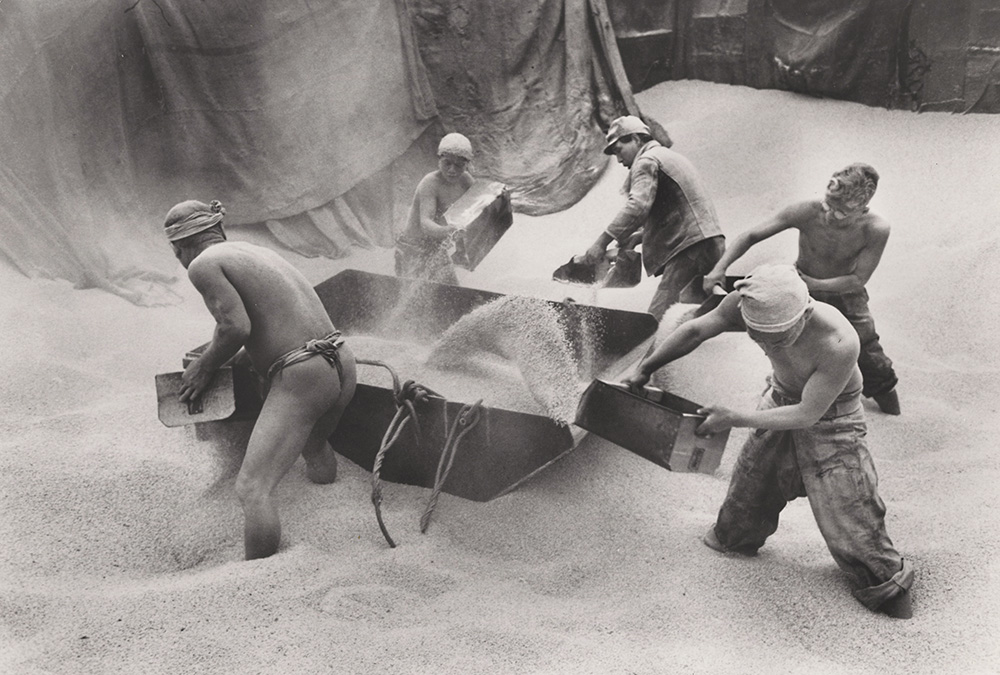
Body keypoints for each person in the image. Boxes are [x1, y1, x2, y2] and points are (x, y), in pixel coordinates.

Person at [624, 264, 914, 618]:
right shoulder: (744, 304)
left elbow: (808, 414)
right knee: (743, 506)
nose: (767, 343)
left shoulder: (839, 340)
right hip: (779, 399)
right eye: (758, 334)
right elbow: (697, 330)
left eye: (778, 336)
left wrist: (734, 418)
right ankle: (737, 539)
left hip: (834, 421)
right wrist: (647, 366)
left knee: (851, 518)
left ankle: (889, 590)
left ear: (804, 313)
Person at [164, 198, 357, 560]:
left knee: (253, 488)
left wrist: (205, 366)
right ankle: (334, 508)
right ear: (218, 230)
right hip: (341, 359)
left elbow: (234, 326)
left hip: (304, 373)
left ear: (179, 248)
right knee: (313, 445)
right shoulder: (254, 251)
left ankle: (260, 580)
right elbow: (270, 324)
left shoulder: (203, 265)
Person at [702, 163, 900, 414]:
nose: (829, 215)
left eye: (840, 213)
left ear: (862, 209)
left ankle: (893, 414)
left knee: (869, 356)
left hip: (846, 295)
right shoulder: (807, 211)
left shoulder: (875, 229)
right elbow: (751, 235)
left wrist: (814, 283)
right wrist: (720, 268)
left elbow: (858, 279)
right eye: (828, 205)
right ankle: (784, 399)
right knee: (786, 344)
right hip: (802, 289)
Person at [576, 115, 725, 320]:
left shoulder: (646, 161)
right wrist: (640, 236)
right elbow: (681, 208)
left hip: (689, 249)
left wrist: (601, 243)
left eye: (619, 150)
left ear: (636, 139)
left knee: (657, 321)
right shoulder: (667, 156)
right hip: (709, 243)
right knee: (688, 323)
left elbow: (637, 206)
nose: (619, 160)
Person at [394, 132, 476, 285]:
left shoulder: (466, 181)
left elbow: (476, 211)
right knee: (412, 296)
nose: (452, 170)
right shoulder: (430, 183)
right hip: (413, 247)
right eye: (447, 163)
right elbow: (426, 223)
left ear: (467, 164)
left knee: (450, 290)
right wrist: (448, 231)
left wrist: (461, 250)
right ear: (439, 160)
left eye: (458, 165)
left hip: (437, 246)